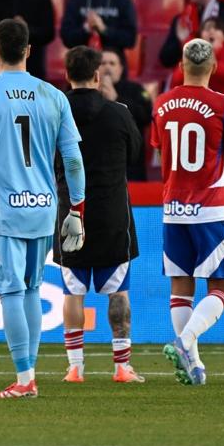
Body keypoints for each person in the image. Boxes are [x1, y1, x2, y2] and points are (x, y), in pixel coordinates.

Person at [0, 19, 86, 399]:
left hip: (3, 212)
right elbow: (73, 159)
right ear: (28, 50)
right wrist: (76, 210)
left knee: (12, 291)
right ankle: (30, 373)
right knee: (32, 289)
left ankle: (25, 379)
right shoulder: (53, 96)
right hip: (44, 208)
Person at [156, 39, 224, 386]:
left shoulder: (162, 104)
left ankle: (193, 364)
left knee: (181, 286)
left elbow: (161, 152)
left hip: (173, 206)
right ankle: (185, 342)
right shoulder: (222, 103)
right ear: (215, 67)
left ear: (181, 65)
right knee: (222, 287)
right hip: (210, 207)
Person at [55, 47, 145, 385]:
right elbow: (136, 153)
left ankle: (75, 367)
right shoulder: (119, 113)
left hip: (70, 212)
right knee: (118, 292)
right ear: (97, 76)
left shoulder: (56, 114)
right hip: (112, 215)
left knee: (72, 292)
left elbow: (48, 158)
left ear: (67, 76)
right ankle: (122, 366)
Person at [99, 48, 152, 182]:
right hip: (99, 164)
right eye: (103, 63)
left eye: (112, 63)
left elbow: (145, 116)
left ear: (121, 69)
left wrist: (116, 99)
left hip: (130, 165)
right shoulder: (88, 92)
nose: (107, 67)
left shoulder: (135, 90)